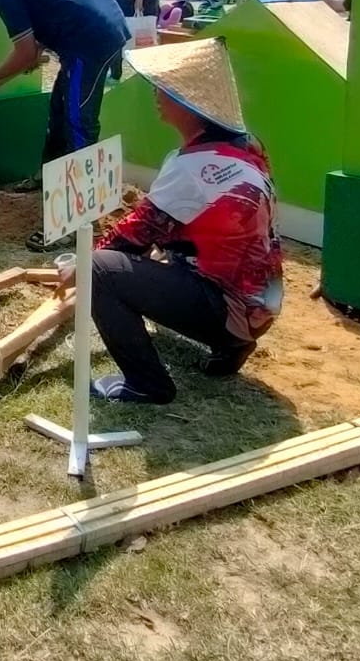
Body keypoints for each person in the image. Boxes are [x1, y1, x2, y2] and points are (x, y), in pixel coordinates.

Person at [86, 39, 282, 404]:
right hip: (259, 304)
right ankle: (232, 345)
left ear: (189, 103)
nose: (156, 94)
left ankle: (146, 383)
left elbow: (136, 233)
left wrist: (82, 263)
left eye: (165, 88)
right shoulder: (247, 146)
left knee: (98, 269)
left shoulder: (191, 167)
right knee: (169, 253)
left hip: (230, 307)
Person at [0, 0, 128, 248]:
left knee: (78, 124)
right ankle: (48, 180)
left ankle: (74, 222)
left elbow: (24, 54)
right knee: (59, 112)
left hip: (90, 42)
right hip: (99, 29)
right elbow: (32, 51)